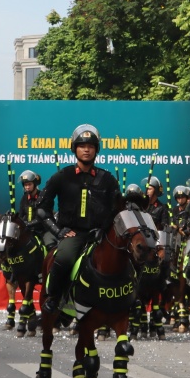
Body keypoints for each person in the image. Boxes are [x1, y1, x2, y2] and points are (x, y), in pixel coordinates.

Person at [38, 124, 123, 314]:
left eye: (91, 146)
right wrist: (58, 231)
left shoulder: (108, 179)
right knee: (65, 257)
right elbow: (42, 209)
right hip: (73, 234)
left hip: (101, 235)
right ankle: (53, 297)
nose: (86, 149)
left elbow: (117, 209)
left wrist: (105, 228)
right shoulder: (61, 177)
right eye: (82, 145)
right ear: (74, 149)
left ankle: (132, 301)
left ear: (96, 150)